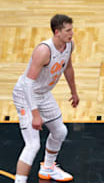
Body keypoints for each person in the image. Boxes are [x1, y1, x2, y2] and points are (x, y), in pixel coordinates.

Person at [12, 14, 79, 183]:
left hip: (43, 94)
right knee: (33, 145)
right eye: (68, 30)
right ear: (57, 32)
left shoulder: (69, 45)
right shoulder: (43, 51)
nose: (72, 33)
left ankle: (48, 167)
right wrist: (35, 114)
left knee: (60, 131)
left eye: (72, 29)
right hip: (25, 95)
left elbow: (68, 67)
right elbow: (27, 84)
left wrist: (74, 92)